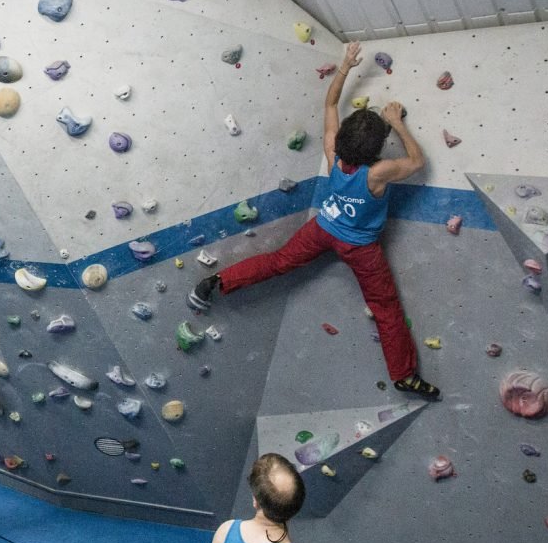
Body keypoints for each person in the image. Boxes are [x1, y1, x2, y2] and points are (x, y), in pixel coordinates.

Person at [188, 41, 440, 400]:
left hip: (323, 228)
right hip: (360, 247)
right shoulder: (378, 173)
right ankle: (403, 376)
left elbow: (330, 104)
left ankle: (216, 280)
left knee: (278, 262)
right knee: (386, 309)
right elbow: (417, 162)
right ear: (375, 152)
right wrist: (397, 123)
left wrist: (345, 66)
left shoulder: (333, 151)